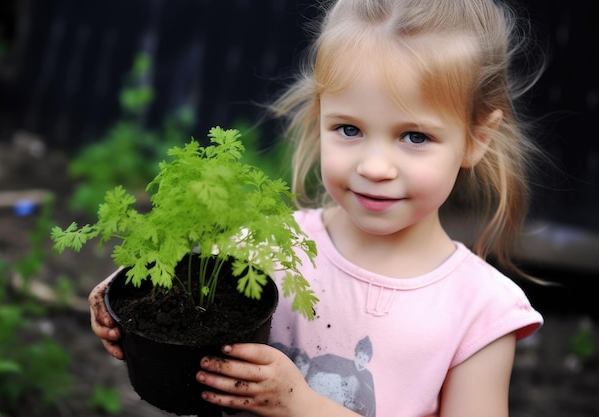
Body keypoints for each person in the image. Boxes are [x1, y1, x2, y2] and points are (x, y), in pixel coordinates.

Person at [89, 0, 548, 415]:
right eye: (349, 129)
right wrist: (130, 299)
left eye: (415, 137)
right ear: (319, 116)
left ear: (477, 139)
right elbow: (189, 295)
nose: (375, 167)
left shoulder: (480, 313)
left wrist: (299, 404)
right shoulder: (268, 244)